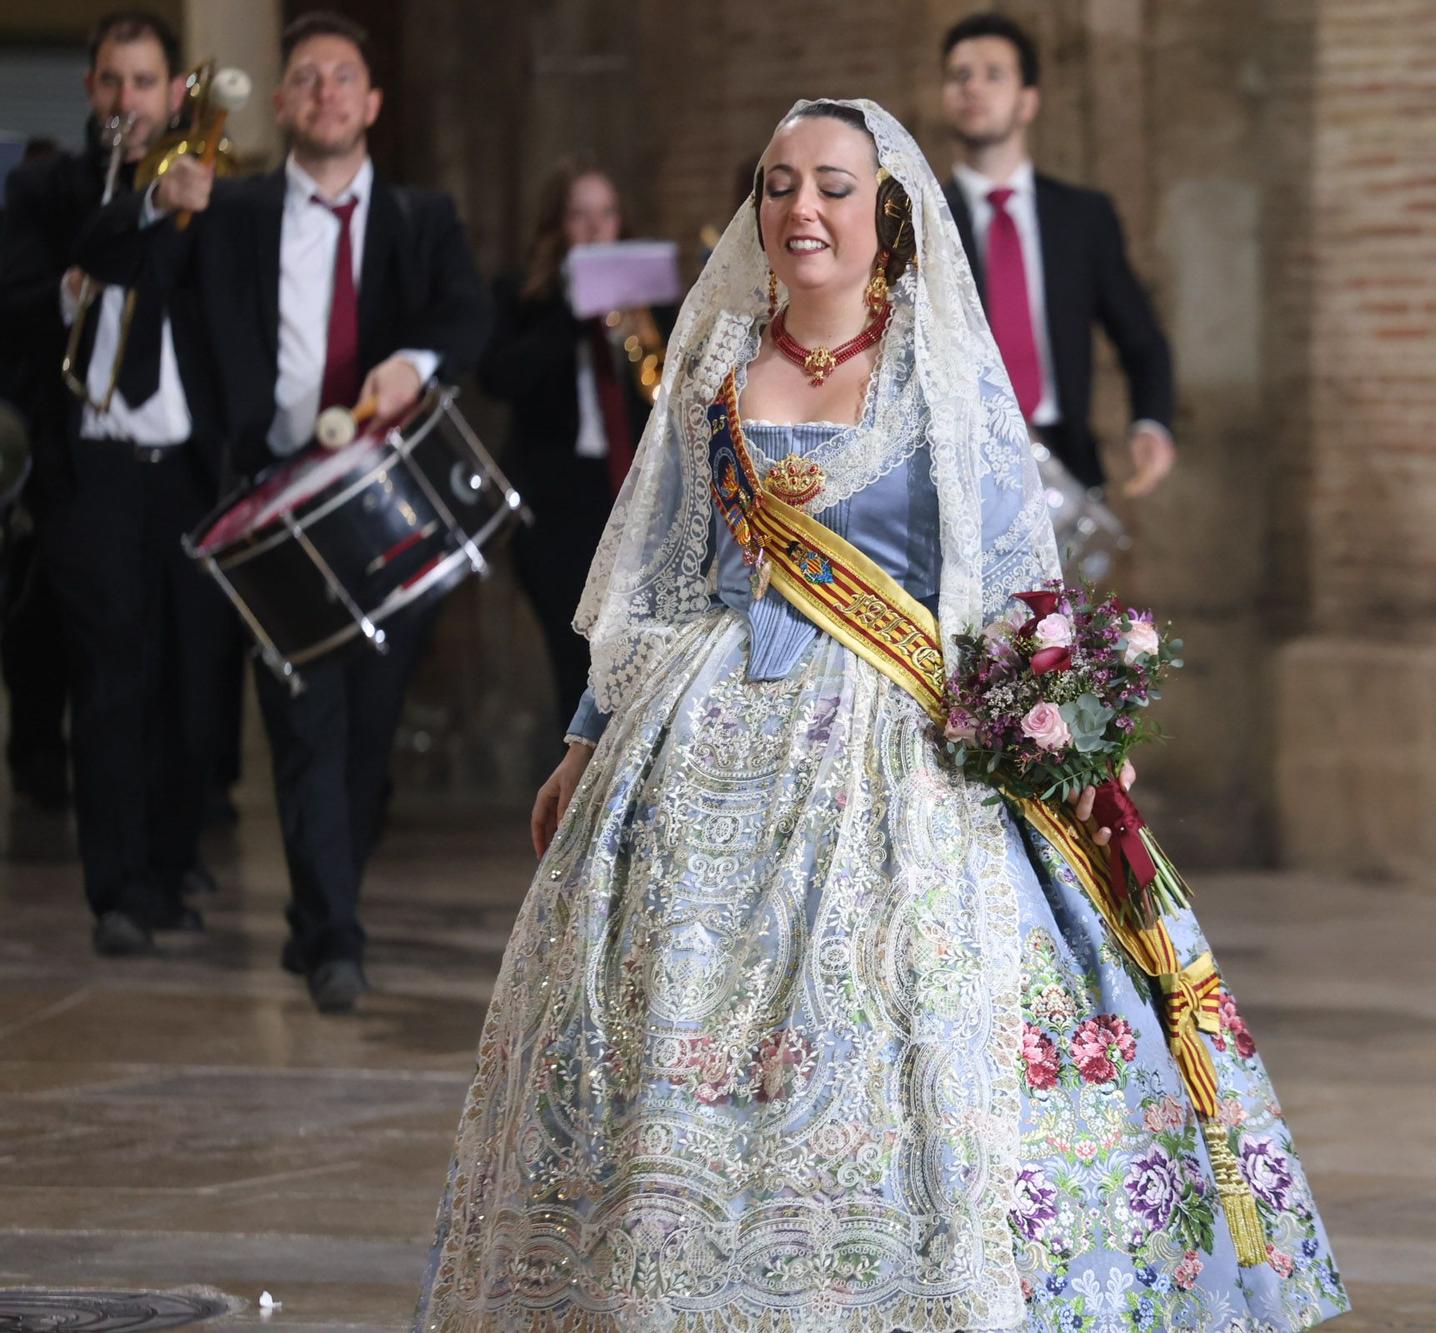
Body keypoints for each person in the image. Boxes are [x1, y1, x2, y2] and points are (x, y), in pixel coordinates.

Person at [416, 99, 1346, 1330]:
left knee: (902, 1020)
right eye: (780, 184)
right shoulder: (711, 367)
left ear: (889, 216)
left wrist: (1049, 735)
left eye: (834, 187)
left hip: (896, 759)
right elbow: (661, 566)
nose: (802, 209)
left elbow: (1018, 585)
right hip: (699, 745)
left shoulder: (938, 372)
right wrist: (586, 738)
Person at [78, 11, 490, 1010]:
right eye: (304, 78)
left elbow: (465, 316)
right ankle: (338, 940)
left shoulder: (420, 220)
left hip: (385, 501)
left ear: (372, 103)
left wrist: (410, 364)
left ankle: (317, 916)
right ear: (282, 100)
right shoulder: (234, 211)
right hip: (272, 502)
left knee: (367, 737)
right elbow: (116, 265)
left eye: (342, 78)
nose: (324, 93)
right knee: (306, 723)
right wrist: (148, 202)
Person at [0, 11, 237, 950]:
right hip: (89, 467)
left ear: (173, 92)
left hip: (184, 471)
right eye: (111, 82)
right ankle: (116, 894)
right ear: (90, 90)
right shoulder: (44, 187)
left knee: (188, 683)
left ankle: (168, 871)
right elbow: (11, 303)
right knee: (110, 682)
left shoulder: (209, 187)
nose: (126, 101)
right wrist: (74, 284)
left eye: (144, 83)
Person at [941, 12, 1177, 500]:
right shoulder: (923, 221)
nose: (973, 88)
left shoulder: (1083, 217)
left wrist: (1151, 423)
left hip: (1066, 461)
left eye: (993, 75)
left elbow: (1142, 340)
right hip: (956, 466)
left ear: (1028, 101)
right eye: (959, 75)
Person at [479, 162, 676, 736]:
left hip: (636, 499)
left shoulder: (650, 302)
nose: (595, 227)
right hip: (558, 502)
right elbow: (498, 378)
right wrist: (573, 311)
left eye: (606, 213)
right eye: (579, 214)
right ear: (557, 225)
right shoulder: (524, 295)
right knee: (576, 667)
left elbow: (671, 388)